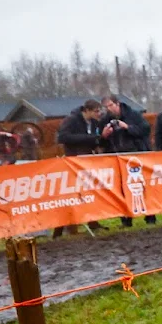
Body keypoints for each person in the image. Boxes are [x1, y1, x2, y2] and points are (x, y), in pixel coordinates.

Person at [53, 99, 107, 237]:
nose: (98, 113)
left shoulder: (95, 122)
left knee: (90, 192)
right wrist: (88, 138)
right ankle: (64, 228)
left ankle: (93, 222)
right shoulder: (71, 120)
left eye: (99, 111)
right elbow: (63, 137)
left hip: (88, 160)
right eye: (96, 111)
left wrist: (99, 140)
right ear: (87, 110)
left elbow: (94, 139)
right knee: (72, 195)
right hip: (73, 161)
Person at [100, 94, 152, 226]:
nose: (108, 109)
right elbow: (101, 141)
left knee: (142, 186)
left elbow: (145, 130)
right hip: (116, 155)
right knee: (121, 188)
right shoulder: (105, 119)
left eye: (110, 105)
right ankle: (126, 218)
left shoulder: (133, 114)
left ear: (117, 104)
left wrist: (127, 127)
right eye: (106, 107)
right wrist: (104, 135)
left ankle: (150, 216)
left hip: (135, 155)